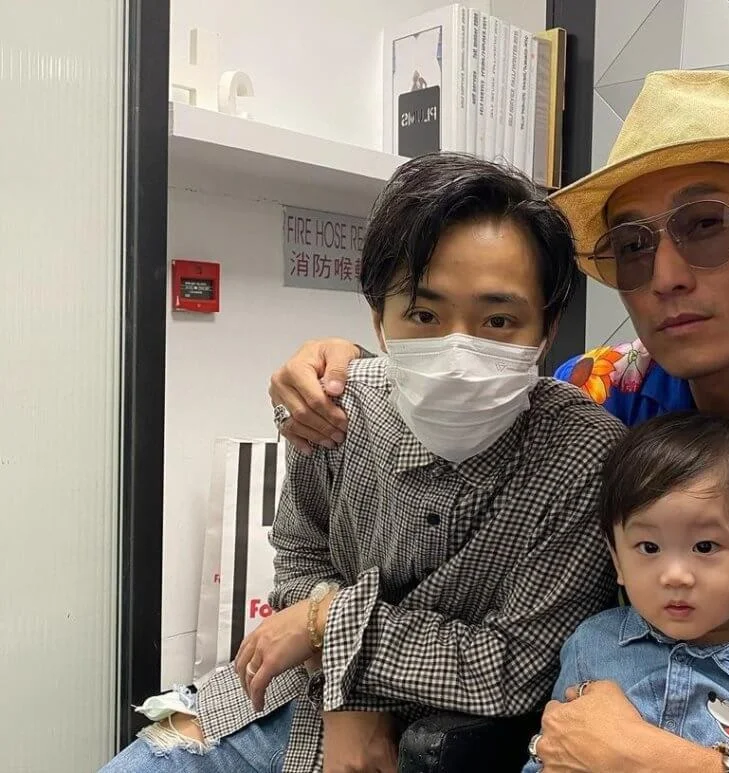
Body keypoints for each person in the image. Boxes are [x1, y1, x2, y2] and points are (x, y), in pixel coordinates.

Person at [267, 69, 729, 772]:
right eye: (632, 244)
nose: (664, 275)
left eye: (707, 225)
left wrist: (662, 761)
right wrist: (349, 372)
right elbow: (457, 394)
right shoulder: (604, 394)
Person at [103, 152, 625, 773]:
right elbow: (300, 554)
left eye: (498, 320)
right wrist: (342, 694)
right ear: (379, 321)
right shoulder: (337, 413)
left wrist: (326, 624)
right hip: (287, 701)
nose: (458, 353)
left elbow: (510, 666)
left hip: (450, 746)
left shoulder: (584, 456)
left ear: (548, 327)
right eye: (424, 315)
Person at [522, 411, 729, 771]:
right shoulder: (591, 645)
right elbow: (551, 752)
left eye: (704, 547)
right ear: (618, 560)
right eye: (649, 548)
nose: (675, 576)